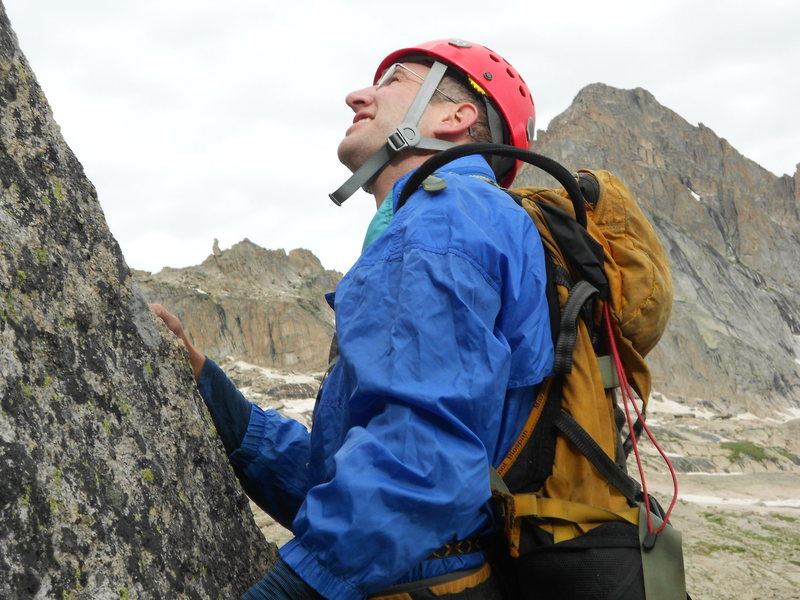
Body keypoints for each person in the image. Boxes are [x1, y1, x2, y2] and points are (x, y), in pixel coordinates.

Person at [153, 39, 554, 600]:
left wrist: (288, 591)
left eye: (394, 82)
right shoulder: (458, 219)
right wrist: (223, 404)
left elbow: (419, 462)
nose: (357, 95)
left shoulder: (442, 218)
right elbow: (353, 472)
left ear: (455, 117)